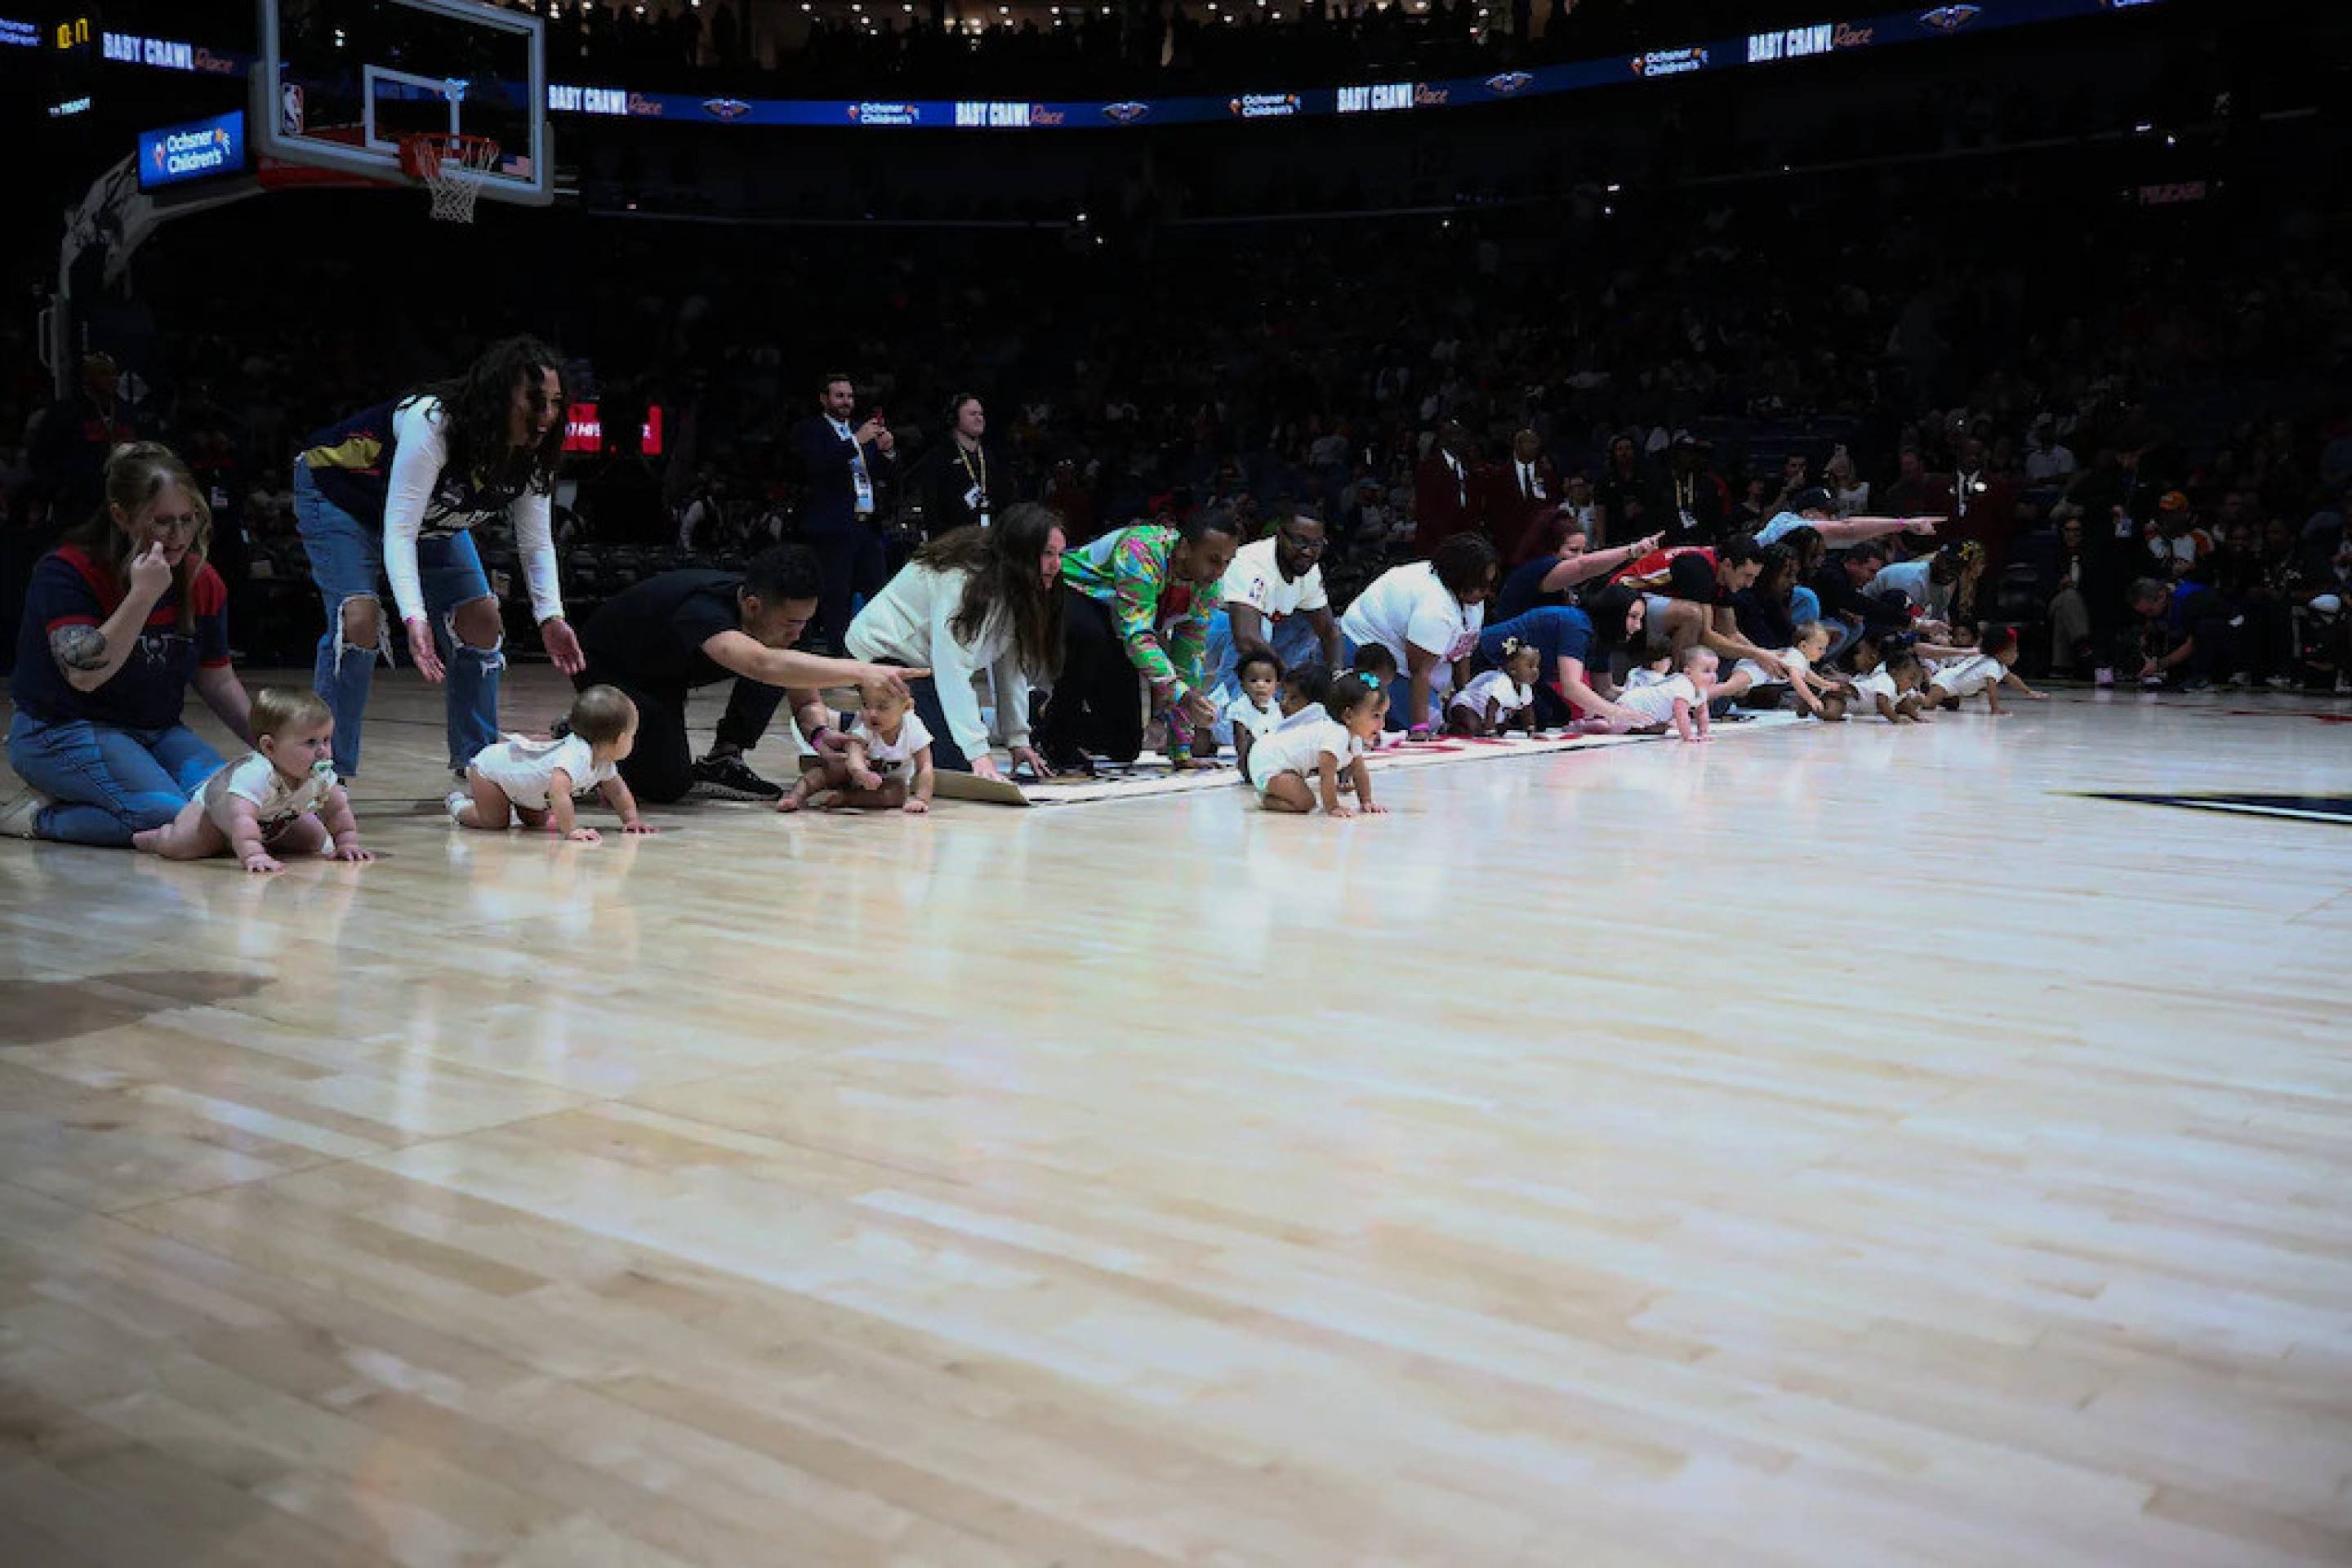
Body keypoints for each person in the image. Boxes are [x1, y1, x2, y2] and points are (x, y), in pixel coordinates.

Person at [293, 336, 580, 780]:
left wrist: (550, 616)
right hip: (341, 497)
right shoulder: (434, 422)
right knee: (359, 619)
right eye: (535, 401)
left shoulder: (534, 452)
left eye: (556, 403)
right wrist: (415, 617)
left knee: (482, 618)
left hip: (426, 516)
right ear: (498, 396)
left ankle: (479, 765)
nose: (546, 416)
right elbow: (400, 530)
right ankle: (326, 771)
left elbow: (537, 543)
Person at [3, 443, 257, 847]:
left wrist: (272, 744)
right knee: (170, 818)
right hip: (59, 730)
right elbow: (84, 675)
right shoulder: (67, 571)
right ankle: (37, 817)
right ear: (122, 517)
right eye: (162, 522)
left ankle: (101, 794)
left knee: (239, 808)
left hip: (157, 731)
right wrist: (142, 596)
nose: (179, 536)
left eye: (188, 519)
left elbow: (218, 680)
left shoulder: (200, 579)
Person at [571, 543, 920, 805]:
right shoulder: (704, 610)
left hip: (670, 673)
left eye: (805, 622)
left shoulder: (780, 623)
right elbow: (761, 665)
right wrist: (863, 672)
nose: (799, 632)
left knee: (785, 662)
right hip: (617, 669)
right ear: (752, 606)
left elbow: (803, 696)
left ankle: (724, 758)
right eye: (792, 622)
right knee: (665, 789)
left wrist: (819, 734)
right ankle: (587, 732)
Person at [846, 506, 1062, 780]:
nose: (1056, 565)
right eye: (1047, 554)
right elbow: (952, 668)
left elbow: (1009, 664)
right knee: (949, 763)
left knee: (954, 743)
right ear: (1020, 552)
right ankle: (849, 723)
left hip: (924, 668)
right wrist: (978, 753)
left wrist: (1017, 738)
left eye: (1060, 554)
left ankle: (877, 718)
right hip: (882, 656)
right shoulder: (962, 580)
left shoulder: (1017, 586)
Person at [1035, 510, 1242, 772]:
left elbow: (1189, 659)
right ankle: (1057, 735)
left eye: (1227, 563)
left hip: (1117, 625)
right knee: (1089, 635)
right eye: (1213, 560)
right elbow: (1137, 638)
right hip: (1071, 592)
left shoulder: (1208, 587)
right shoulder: (1141, 550)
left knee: (1125, 746)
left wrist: (1181, 750)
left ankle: (1041, 711)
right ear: (1185, 549)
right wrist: (1183, 695)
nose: (1220, 572)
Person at [132, 686, 369, 871]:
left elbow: (337, 811)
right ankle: (156, 838)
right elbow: (241, 818)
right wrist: (254, 854)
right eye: (311, 743)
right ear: (269, 747)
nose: (323, 751)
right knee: (185, 845)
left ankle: (256, 841)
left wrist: (347, 842)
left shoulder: (319, 775)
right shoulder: (255, 775)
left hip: (272, 819)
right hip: (216, 817)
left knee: (313, 840)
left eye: (326, 740)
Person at [1201, 509, 1344, 737]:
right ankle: (1225, 716)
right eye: (1300, 541)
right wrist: (1289, 678)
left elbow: (1329, 631)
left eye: (1316, 544)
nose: (1308, 551)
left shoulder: (1308, 570)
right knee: (1260, 631)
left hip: (1256, 635)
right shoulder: (1252, 561)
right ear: (1280, 535)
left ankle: (1273, 706)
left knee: (1309, 626)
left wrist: (1337, 679)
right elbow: (1246, 639)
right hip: (1207, 633)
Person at [1339, 532, 1498, 737]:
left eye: (1490, 583)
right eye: (1481, 585)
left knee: (1457, 718)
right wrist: (1420, 730)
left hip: (1411, 657)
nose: (1487, 591)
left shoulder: (1472, 601)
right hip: (1367, 648)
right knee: (1428, 719)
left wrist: (1466, 702)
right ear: (1461, 579)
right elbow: (1419, 671)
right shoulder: (1435, 607)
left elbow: (1462, 651)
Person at [452, 683, 653, 840]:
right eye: (632, 736)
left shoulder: (603, 761)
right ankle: (459, 804)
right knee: (495, 822)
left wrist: (631, 820)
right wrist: (571, 830)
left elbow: (618, 791)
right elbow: (558, 792)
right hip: (491, 771)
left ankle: (509, 804)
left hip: (524, 787)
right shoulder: (576, 755)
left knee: (536, 821)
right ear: (620, 739)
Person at [792, 372, 898, 652]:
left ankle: (879, 653)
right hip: (833, 528)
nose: (846, 402)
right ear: (824, 399)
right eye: (839, 396)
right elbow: (816, 467)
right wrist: (855, 442)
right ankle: (839, 655)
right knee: (836, 596)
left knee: (878, 592)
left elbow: (881, 474)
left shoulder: (861, 429)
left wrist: (887, 451)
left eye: (850, 396)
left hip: (867, 525)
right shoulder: (811, 430)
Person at [1471, 583, 1650, 731]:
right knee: (1539, 716)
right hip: (1485, 660)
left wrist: (1646, 700)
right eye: (1633, 617)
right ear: (1614, 612)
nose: (1638, 626)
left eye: (1640, 619)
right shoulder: (1577, 626)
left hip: (1521, 676)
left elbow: (1605, 690)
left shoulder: (1603, 637)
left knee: (1558, 715)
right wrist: (1618, 713)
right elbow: (1571, 687)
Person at [780, 677, 938, 815]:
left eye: (882, 707)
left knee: (898, 793)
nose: (872, 713)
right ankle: (796, 796)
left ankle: (847, 798)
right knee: (826, 772)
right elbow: (853, 751)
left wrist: (921, 799)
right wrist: (861, 773)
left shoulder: (913, 728)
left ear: (907, 707)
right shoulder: (864, 726)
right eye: (866, 705)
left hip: (888, 782)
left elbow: (925, 766)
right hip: (852, 773)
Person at [1250, 672, 1387, 817]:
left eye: (1384, 715)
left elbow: (1359, 771)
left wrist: (1366, 801)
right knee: (1306, 803)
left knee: (1304, 797)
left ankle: (1276, 792)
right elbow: (1326, 775)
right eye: (1376, 716)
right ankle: (1265, 800)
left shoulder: (1354, 737)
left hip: (1277, 761)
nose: (1382, 724)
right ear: (1348, 716)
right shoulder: (1336, 734)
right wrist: (1333, 807)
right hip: (1268, 761)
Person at [1492, 515, 1660, 622]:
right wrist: (1633, 550)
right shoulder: (1535, 569)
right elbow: (1582, 567)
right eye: (1573, 550)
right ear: (1552, 549)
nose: (1580, 557)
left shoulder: (1568, 584)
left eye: (1583, 551)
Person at [910, 394, 1001, 541]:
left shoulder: (991, 457)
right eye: (972, 414)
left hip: (988, 540)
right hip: (952, 544)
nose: (979, 418)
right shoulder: (939, 458)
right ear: (954, 419)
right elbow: (931, 508)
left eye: (981, 414)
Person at [1754, 488, 1940, 550]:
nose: (1833, 519)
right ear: (1807, 514)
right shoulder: (1790, 526)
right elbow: (1848, 529)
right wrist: (1905, 524)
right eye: (1827, 513)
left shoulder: (1786, 522)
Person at [1925, 625, 2047, 714]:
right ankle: (1916, 697)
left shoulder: (1997, 664)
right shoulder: (1992, 665)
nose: (2017, 655)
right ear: (2000, 652)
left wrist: (2030, 692)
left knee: (1952, 706)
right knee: (1928, 704)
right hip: (1945, 682)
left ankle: (1938, 700)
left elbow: (2012, 680)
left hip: (1955, 689)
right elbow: (1991, 688)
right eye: (2014, 651)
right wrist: (1995, 709)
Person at [1487, 429, 1561, 561]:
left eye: (1536, 443)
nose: (1534, 446)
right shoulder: (1499, 476)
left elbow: (1553, 506)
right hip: (1509, 546)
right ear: (1517, 446)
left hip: (1541, 545)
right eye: (1529, 442)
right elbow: (1493, 511)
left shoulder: (1548, 476)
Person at [1615, 645, 1716, 742]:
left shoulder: (1701, 690)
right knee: (1617, 728)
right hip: (1633, 704)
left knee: (1650, 727)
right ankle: (1607, 724)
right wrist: (1688, 735)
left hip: (1647, 711)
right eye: (1707, 671)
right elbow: (1681, 714)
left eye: (1715, 671)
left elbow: (1702, 713)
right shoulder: (1684, 686)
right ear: (1688, 672)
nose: (1713, 676)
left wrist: (1703, 733)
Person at [1412, 419, 1482, 554]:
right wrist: (1445, 539)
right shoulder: (1429, 467)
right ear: (1444, 440)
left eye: (1463, 435)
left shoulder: (1469, 466)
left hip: (1465, 540)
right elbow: (1425, 508)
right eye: (1457, 435)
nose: (1463, 440)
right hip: (1437, 541)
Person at [1448, 639, 1541, 736]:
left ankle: (1484, 727)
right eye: (1531, 666)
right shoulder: (1502, 682)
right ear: (1512, 669)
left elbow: (1527, 710)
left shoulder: (1525, 687)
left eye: (1537, 666)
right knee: (1474, 729)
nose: (1535, 671)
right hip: (1466, 706)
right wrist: (1490, 731)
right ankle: (1452, 729)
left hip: (1485, 713)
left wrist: (1531, 729)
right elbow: (1491, 707)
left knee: (1502, 728)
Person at [1223, 648, 1285, 778]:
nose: (1261, 685)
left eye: (1268, 681)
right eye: (1253, 680)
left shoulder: (1278, 707)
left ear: (1277, 685)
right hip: (1252, 759)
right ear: (1243, 685)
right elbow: (1240, 740)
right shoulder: (1239, 708)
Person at [1851, 648, 1934, 723]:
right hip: (1850, 694)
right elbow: (1881, 702)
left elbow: (1906, 705)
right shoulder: (1886, 680)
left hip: (1854, 705)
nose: (1913, 684)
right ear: (1895, 672)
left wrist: (1917, 717)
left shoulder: (1899, 690)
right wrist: (1896, 719)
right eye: (1911, 678)